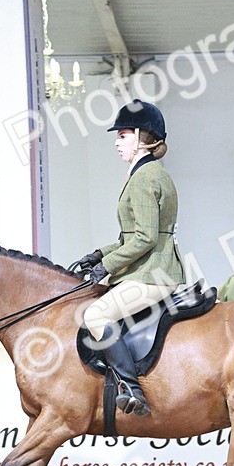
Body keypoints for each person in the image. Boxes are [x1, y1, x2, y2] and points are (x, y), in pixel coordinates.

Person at [73, 99, 184, 417]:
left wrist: (107, 266)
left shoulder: (146, 177)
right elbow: (131, 238)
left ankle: (131, 388)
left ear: (141, 136)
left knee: (95, 317)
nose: (117, 142)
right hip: (150, 267)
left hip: (153, 273)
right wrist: (99, 255)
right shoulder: (146, 173)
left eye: (122, 135)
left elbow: (146, 239)